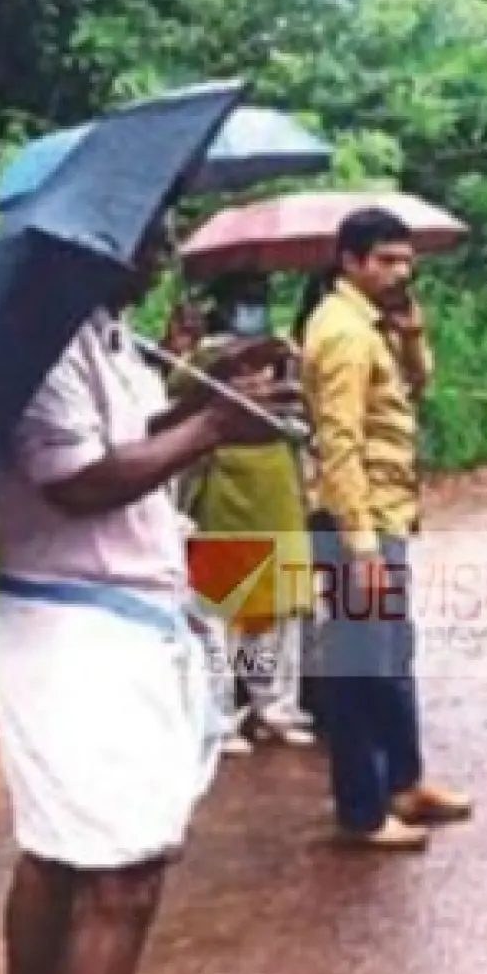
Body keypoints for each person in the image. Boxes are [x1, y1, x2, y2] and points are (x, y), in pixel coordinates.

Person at [0, 212, 277, 974]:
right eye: (151, 237)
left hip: (103, 620)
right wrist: (212, 428)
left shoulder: (102, 332)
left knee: (60, 857)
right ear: (94, 243)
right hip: (74, 628)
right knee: (122, 877)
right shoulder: (45, 346)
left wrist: (197, 393)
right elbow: (78, 480)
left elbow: (128, 437)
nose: (166, 254)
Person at [297, 208, 469, 851]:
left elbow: (414, 392)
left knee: (392, 656)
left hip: (388, 513)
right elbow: (338, 444)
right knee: (359, 668)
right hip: (358, 522)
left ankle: (405, 781)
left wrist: (412, 336)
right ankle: (362, 812)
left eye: (406, 259)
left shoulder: (375, 327)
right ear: (350, 262)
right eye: (387, 260)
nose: (402, 271)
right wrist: (360, 545)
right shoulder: (341, 333)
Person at [172, 270, 317, 754]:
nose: (254, 308)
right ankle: (222, 716)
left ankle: (273, 707)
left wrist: (291, 368)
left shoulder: (281, 350)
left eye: (259, 299)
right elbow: (177, 393)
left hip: (276, 483)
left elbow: (302, 411)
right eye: (245, 300)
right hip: (224, 486)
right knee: (221, 613)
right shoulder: (206, 356)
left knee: (273, 615)